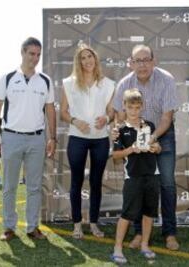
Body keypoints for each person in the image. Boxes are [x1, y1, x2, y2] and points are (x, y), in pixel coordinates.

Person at [0, 37, 56, 241]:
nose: (35, 58)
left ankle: (32, 227)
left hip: (37, 140)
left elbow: (50, 110)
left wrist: (52, 137)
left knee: (34, 187)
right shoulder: (7, 78)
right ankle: (9, 227)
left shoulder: (45, 80)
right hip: (11, 138)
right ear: (22, 52)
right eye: (31, 53)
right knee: (9, 186)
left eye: (38, 54)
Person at [113, 44, 180, 250]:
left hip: (162, 133)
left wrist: (151, 138)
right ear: (131, 63)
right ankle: (140, 234)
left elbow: (167, 118)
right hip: (134, 137)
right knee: (139, 183)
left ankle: (169, 233)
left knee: (166, 184)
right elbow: (119, 116)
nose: (142, 64)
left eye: (146, 60)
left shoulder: (167, 79)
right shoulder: (125, 83)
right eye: (137, 60)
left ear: (154, 60)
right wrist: (118, 131)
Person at [60, 44, 115, 239]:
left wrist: (106, 119)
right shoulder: (69, 83)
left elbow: (111, 111)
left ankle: (93, 224)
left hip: (100, 140)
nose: (87, 61)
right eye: (83, 58)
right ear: (78, 61)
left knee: (96, 183)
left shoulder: (107, 83)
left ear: (95, 59)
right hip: (77, 138)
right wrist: (75, 121)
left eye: (89, 56)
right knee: (76, 182)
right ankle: (76, 225)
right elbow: (63, 112)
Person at [111, 89, 161, 264]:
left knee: (149, 213)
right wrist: (131, 149)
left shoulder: (150, 125)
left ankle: (145, 245)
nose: (134, 111)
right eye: (131, 107)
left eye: (137, 107)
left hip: (152, 174)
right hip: (132, 176)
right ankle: (117, 248)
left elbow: (158, 147)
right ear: (124, 107)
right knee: (127, 213)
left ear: (142, 107)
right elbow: (116, 155)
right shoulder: (120, 129)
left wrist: (155, 148)